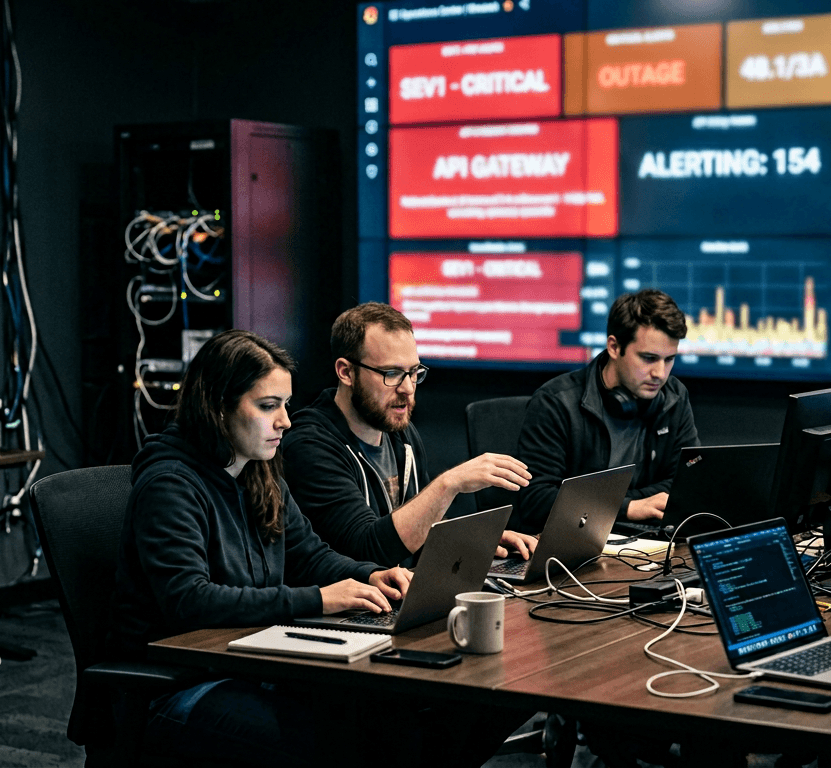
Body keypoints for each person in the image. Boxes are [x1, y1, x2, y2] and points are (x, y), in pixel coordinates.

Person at [109, 329, 515, 767]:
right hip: (177, 686)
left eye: (284, 404)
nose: (285, 420)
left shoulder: (258, 472)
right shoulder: (170, 485)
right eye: (268, 406)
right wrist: (319, 598)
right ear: (218, 407)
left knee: (391, 723)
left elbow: (311, 555)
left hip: (249, 663)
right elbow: (190, 600)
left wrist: (367, 574)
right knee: (341, 746)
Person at [283, 302, 536, 567]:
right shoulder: (309, 445)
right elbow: (366, 549)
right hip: (353, 606)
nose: (407, 388)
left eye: (413, 372)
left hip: (398, 596)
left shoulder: (399, 431)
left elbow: (417, 529)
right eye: (391, 373)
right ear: (346, 372)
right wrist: (448, 484)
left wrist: (473, 539)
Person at [513, 288, 700, 533]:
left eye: (669, 359)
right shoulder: (556, 402)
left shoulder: (673, 397)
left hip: (644, 541)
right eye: (648, 358)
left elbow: (688, 482)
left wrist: (610, 504)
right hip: (568, 547)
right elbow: (537, 500)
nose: (660, 374)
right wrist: (628, 507)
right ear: (614, 347)